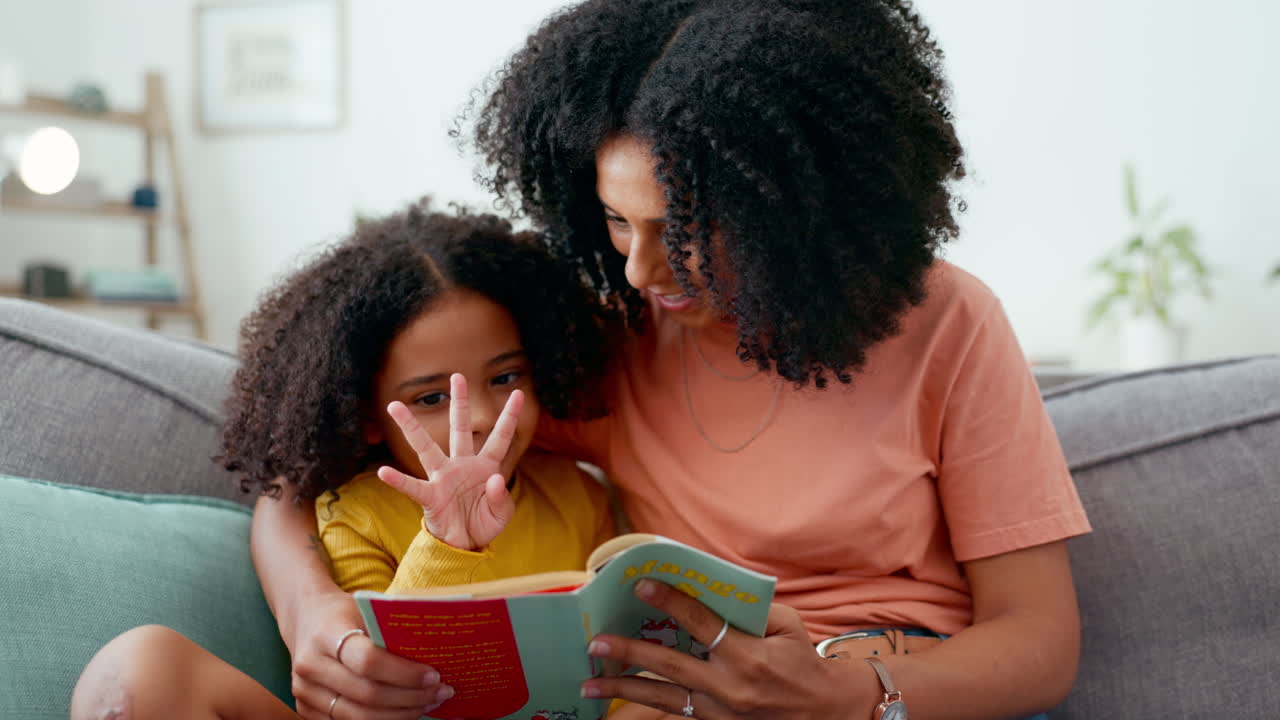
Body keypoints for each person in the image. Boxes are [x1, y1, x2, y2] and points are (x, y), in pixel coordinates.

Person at [253, 1, 1092, 719]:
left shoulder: (947, 321)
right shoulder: (605, 336)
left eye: (686, 233)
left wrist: (848, 694)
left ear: (795, 204)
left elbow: (1041, 643)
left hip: (888, 684)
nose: (641, 271)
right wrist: (317, 620)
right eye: (618, 221)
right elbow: (296, 472)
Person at [71, 200, 617, 720]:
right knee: (132, 674)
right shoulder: (354, 513)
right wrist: (448, 543)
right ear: (366, 416)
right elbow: (384, 680)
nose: (476, 417)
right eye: (432, 398)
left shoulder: (579, 495)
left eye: (505, 377)